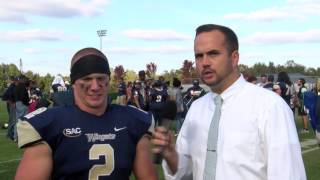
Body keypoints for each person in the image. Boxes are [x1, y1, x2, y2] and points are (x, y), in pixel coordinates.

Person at [152, 24, 306, 180]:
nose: (204, 62)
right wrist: (171, 155)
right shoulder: (196, 108)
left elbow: (288, 174)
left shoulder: (270, 107)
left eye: (213, 54)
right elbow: (186, 173)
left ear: (234, 58)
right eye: (199, 56)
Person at [15, 47, 157, 180]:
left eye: (100, 78)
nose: (95, 87)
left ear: (108, 81)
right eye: (87, 79)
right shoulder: (51, 124)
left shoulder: (132, 120)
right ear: (74, 83)